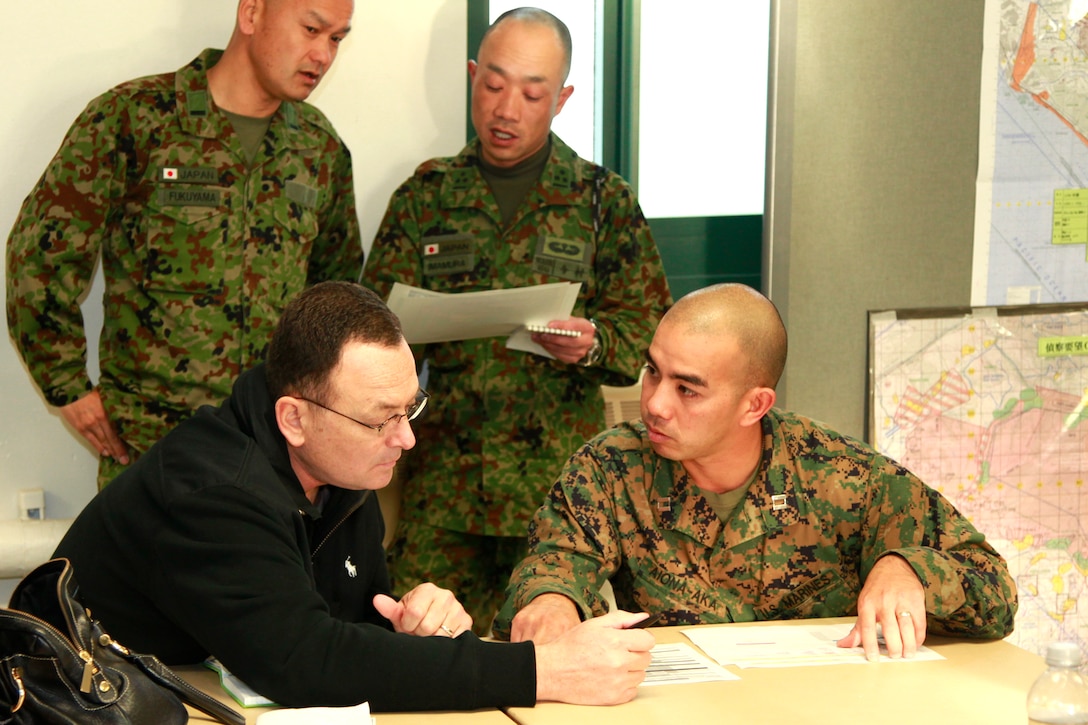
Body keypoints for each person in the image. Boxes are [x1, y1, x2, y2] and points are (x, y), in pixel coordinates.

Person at [51, 281, 654, 711]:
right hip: (82, 704)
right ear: (294, 418)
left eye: (410, 407)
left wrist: (414, 620)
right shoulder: (214, 493)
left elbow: (351, 624)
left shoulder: (336, 461)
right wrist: (542, 670)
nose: (407, 438)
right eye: (381, 419)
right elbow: (308, 664)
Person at [494, 283, 1019, 661]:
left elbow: (996, 594)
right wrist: (552, 602)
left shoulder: (845, 477)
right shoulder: (611, 467)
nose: (653, 403)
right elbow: (556, 562)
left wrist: (910, 569)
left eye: (687, 389)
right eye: (653, 370)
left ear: (755, 405)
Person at [362, 7, 672, 634]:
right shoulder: (425, 196)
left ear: (562, 98)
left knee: (555, 658)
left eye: (532, 93)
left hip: (560, 493)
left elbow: (652, 327)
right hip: (444, 486)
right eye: (494, 85)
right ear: (473, 77)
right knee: (421, 654)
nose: (507, 109)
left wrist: (594, 343)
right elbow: (366, 322)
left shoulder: (600, 201)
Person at [5, 0, 364, 489]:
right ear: (252, 13)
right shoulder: (137, 119)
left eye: (337, 39)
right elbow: (40, 256)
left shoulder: (320, 150)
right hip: (154, 454)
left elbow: (334, 295)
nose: (322, 54)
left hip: (272, 458)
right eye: (311, 29)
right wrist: (67, 387)